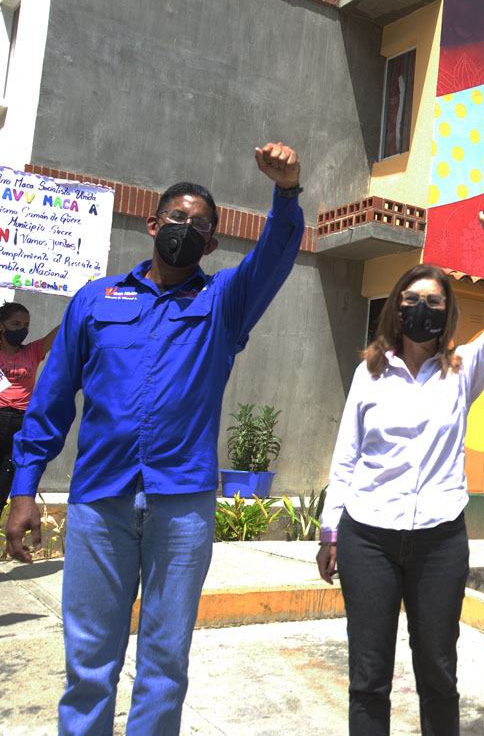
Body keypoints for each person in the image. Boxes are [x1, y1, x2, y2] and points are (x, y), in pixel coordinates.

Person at [4, 143, 305, 736]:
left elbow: (274, 255)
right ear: (152, 223)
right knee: (89, 663)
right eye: (176, 217)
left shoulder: (223, 303)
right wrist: (23, 487)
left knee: (165, 665)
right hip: (100, 502)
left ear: (211, 245)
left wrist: (287, 192)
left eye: (200, 225)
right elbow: (52, 398)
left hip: (181, 508)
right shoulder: (95, 300)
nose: (185, 229)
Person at [316, 210, 484, 736]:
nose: (422, 309)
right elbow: (347, 456)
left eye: (434, 302)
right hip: (368, 538)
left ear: (447, 313)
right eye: (412, 300)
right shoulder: (369, 374)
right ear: (396, 308)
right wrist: (330, 530)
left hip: (439, 541)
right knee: (369, 678)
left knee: (437, 674)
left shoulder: (462, 370)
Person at [0, 302, 59, 515]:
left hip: (20, 421)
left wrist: (81, 301)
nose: (22, 330)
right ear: (1, 326)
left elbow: (60, 331)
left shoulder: (33, 351)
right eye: (15, 324)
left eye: (26, 325)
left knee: (6, 476)